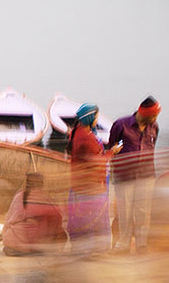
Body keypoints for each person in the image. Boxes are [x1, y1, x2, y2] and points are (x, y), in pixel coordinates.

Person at [107, 96, 160, 253]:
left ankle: (141, 245)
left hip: (146, 175)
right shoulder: (122, 125)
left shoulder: (154, 127)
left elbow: (152, 145)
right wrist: (124, 145)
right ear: (145, 113)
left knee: (143, 213)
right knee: (125, 212)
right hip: (125, 176)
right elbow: (115, 144)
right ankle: (123, 245)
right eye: (154, 115)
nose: (156, 118)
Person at [66, 103, 120, 254]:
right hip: (92, 187)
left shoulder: (77, 132)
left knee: (80, 219)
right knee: (94, 221)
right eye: (96, 117)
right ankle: (94, 251)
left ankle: (79, 249)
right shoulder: (87, 139)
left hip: (78, 185)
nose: (97, 120)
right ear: (90, 118)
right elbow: (98, 162)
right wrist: (112, 152)